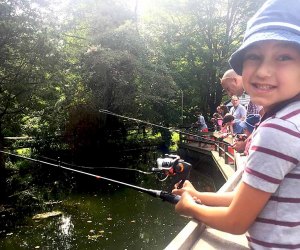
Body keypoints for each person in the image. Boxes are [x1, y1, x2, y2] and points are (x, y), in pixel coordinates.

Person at [172, 0, 300, 249]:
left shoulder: (278, 131)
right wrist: (197, 195)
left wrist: (190, 207)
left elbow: (236, 221)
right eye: (254, 56)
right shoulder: (291, 118)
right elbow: (247, 198)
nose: (264, 71)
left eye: (284, 56)